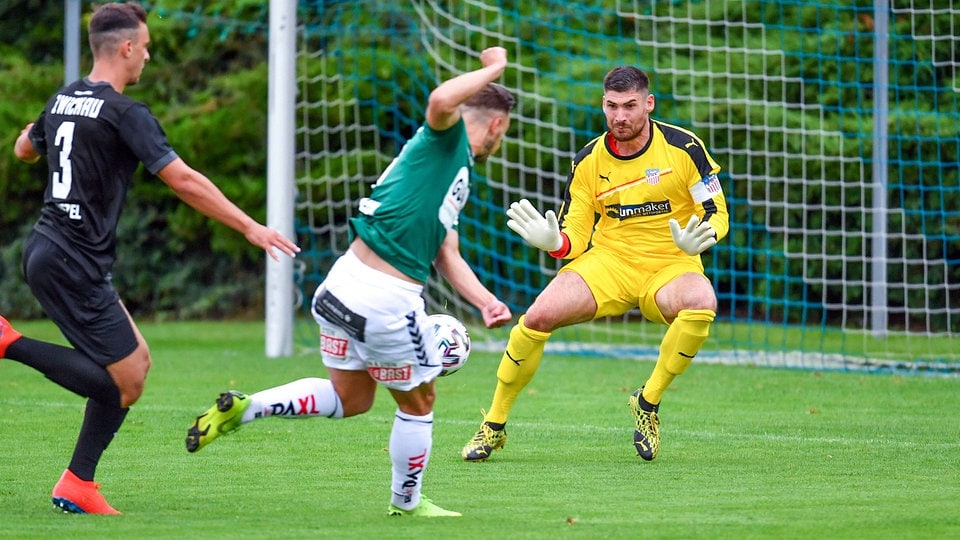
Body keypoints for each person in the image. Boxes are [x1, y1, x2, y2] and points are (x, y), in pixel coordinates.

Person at [185, 47, 515, 517]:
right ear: (497, 125)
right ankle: (409, 504)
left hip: (340, 287)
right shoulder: (447, 140)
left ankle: (246, 407)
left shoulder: (446, 169)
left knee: (351, 398)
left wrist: (484, 302)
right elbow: (441, 99)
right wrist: (493, 68)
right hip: (384, 300)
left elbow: (446, 251)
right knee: (420, 401)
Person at [3, 2, 299, 514]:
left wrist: (42, 131)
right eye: (145, 47)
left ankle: (78, 483)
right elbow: (182, 179)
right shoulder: (125, 112)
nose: (148, 56)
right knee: (127, 381)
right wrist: (251, 225)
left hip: (55, 251)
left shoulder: (63, 98)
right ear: (126, 47)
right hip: (71, 258)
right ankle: (8, 342)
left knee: (134, 365)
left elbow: (23, 151)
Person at [461, 65, 729, 463]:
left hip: (671, 263)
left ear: (648, 104)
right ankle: (494, 425)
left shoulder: (685, 148)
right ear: (603, 105)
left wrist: (703, 234)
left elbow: (716, 210)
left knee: (701, 302)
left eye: (630, 106)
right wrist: (554, 243)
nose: (620, 116)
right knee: (536, 317)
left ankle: (648, 401)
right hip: (610, 262)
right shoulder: (588, 160)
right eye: (612, 106)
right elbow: (574, 236)